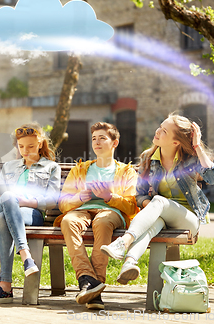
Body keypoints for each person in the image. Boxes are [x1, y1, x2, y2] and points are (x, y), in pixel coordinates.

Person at [101, 114, 214, 285]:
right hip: (161, 215)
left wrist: (197, 146)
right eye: (160, 126)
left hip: (188, 220)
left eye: (164, 131)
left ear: (175, 142)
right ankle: (129, 263)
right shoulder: (149, 160)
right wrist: (149, 205)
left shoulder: (190, 160)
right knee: (150, 227)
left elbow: (213, 178)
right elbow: (140, 194)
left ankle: (123, 242)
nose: (157, 131)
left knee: (160, 201)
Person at [55, 122, 139, 310]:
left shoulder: (127, 171)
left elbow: (132, 206)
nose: (97, 142)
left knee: (102, 222)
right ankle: (89, 282)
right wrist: (79, 197)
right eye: (94, 138)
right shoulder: (80, 169)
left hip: (111, 212)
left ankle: (93, 286)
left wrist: (110, 197)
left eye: (102, 138)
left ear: (114, 143)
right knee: (68, 221)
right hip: (81, 209)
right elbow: (63, 204)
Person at [0, 124, 61, 304]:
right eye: (21, 146)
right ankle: (25, 256)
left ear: (40, 144)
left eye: (31, 146)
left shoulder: (51, 167)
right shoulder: (9, 166)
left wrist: (24, 201)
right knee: (5, 204)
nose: (25, 151)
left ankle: (5, 287)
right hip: (6, 207)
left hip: (32, 215)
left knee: (3, 215)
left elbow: (52, 200)